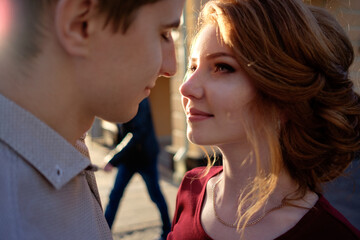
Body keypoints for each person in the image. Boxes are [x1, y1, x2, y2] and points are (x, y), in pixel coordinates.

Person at [168, 0, 360, 239]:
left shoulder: (331, 234)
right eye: (192, 66)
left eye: (222, 67)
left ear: (283, 91)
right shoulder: (191, 189)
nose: (187, 87)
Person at [0, 0, 185, 239]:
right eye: (163, 33)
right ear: (81, 24)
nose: (171, 67)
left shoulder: (62, 149)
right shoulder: (18, 220)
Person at [103, 98, 171, 240]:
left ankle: (168, 232)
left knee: (155, 195)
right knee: (115, 195)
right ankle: (103, 233)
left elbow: (137, 134)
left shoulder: (140, 98)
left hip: (145, 157)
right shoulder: (121, 96)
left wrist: (114, 158)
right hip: (129, 159)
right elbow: (123, 130)